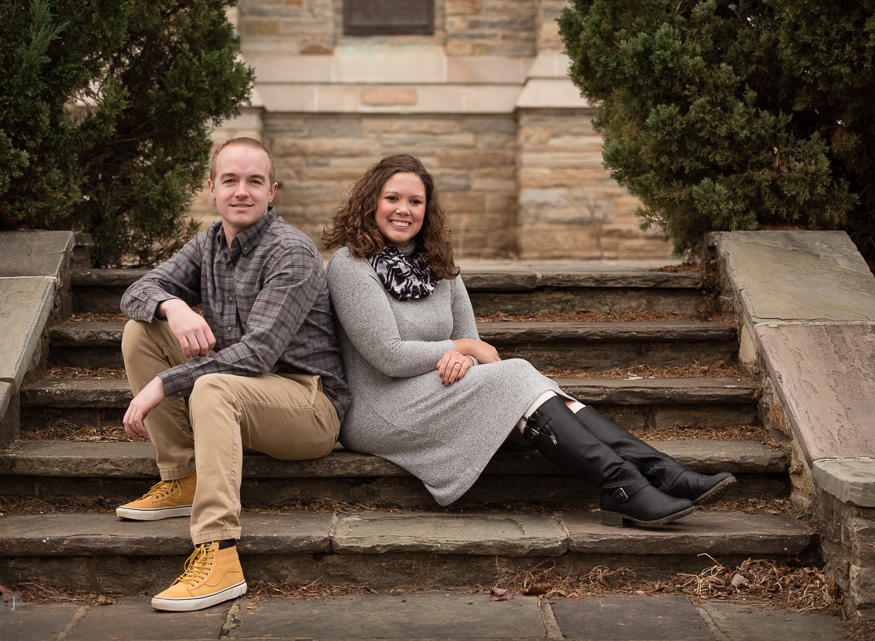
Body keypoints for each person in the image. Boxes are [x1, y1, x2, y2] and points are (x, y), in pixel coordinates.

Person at [322, 154, 734, 527]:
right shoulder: (350, 265)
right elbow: (388, 356)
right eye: (393, 198)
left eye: (415, 201)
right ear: (371, 202)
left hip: (438, 391)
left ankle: (645, 478)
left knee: (525, 390)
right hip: (380, 407)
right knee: (517, 376)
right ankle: (638, 480)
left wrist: (464, 355)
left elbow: (473, 345)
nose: (403, 210)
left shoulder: (439, 267)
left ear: (427, 210)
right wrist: (460, 350)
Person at [117, 137, 351, 612]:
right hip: (243, 392)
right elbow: (137, 290)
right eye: (230, 180)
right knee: (139, 333)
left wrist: (163, 385)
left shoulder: (292, 252)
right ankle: (183, 476)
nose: (241, 191)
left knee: (213, 385)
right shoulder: (207, 242)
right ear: (212, 189)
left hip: (309, 406)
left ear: (272, 191)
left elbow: (259, 353)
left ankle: (219, 555)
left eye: (254, 182)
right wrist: (173, 305)